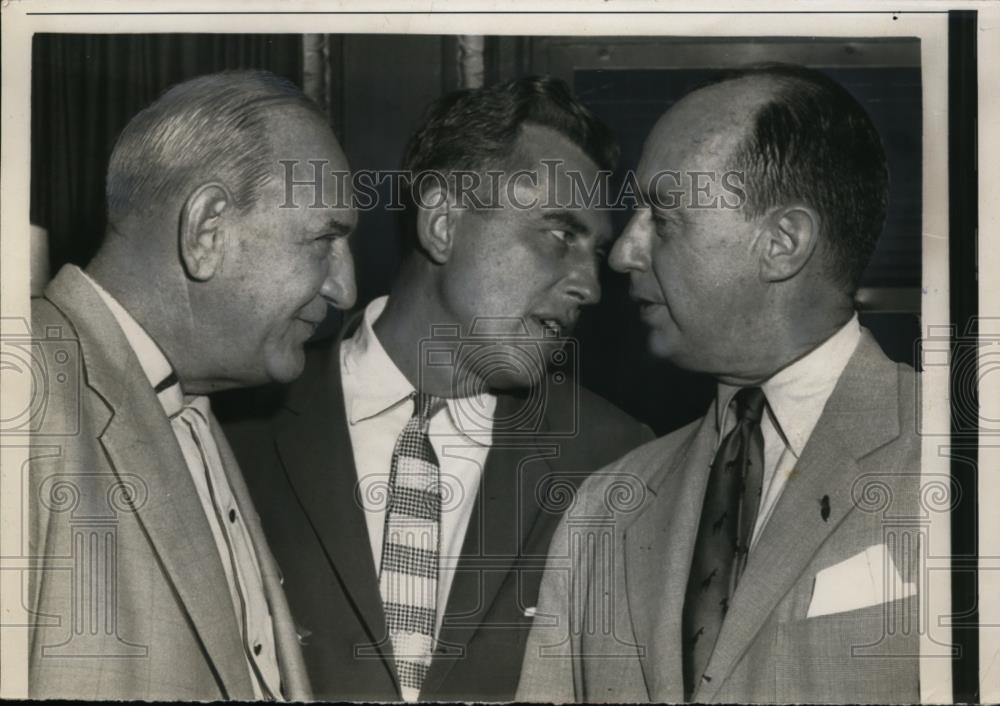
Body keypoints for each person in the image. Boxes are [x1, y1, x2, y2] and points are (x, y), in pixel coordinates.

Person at [221, 75, 652, 702]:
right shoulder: (232, 427)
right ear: (444, 223)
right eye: (561, 235)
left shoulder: (615, 459)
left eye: (596, 250)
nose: (589, 285)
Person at [517, 63, 920, 704]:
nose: (621, 253)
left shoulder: (967, 461)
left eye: (663, 218)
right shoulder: (602, 509)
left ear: (783, 242)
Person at [28, 70, 357, 700]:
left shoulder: (193, 407)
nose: (346, 289)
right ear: (207, 230)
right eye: (324, 240)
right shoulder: (24, 389)